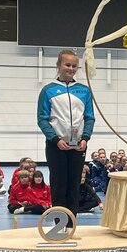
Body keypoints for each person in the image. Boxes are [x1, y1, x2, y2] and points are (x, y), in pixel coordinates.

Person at [37, 49, 94, 224]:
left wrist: (85, 138)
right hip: (56, 146)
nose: (71, 69)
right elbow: (42, 119)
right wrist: (55, 139)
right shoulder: (48, 90)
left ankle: (71, 226)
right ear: (58, 65)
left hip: (78, 146)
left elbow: (89, 117)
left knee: (74, 186)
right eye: (67, 65)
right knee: (59, 187)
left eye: (74, 66)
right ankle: (60, 226)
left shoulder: (84, 91)